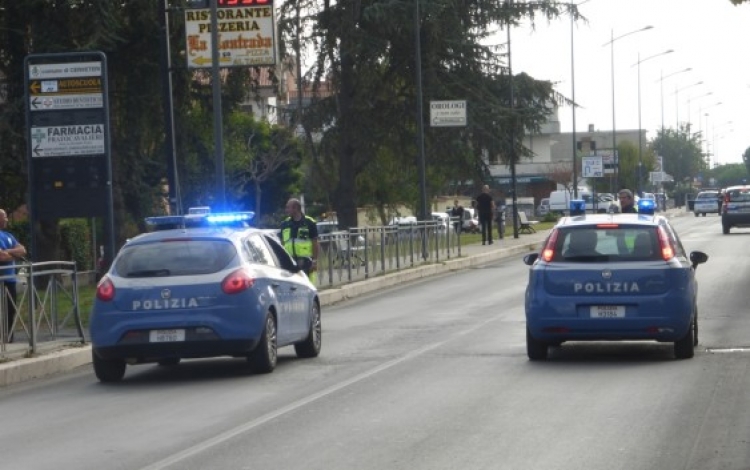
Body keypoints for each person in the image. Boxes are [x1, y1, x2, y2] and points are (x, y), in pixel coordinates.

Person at [0, 209, 27, 343]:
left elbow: (23, 250)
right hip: (1, 280)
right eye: (4, 217)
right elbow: (1, 257)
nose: (7, 220)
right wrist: (13, 254)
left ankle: (8, 338)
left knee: (10, 311)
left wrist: (8, 251)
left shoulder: (8, 235)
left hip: (10, 280)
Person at [279, 198, 320, 283]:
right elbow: (282, 243)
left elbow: (315, 243)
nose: (286, 210)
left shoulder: (309, 222)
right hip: (290, 262)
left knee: (307, 287)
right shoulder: (285, 224)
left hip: (306, 262)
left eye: (288, 208)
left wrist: (315, 261)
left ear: (296, 208)